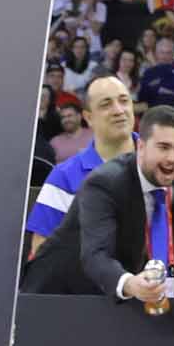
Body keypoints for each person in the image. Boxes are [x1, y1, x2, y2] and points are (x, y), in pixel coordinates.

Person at [27, 107, 174, 305]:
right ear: (141, 147)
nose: (172, 158)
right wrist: (131, 284)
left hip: (129, 306)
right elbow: (96, 257)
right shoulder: (105, 183)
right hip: (58, 298)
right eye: (163, 147)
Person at [25, 74, 134, 262]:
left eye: (124, 101)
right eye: (106, 104)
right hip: (87, 288)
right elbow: (41, 254)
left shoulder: (159, 164)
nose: (118, 110)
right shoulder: (64, 176)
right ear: (88, 118)